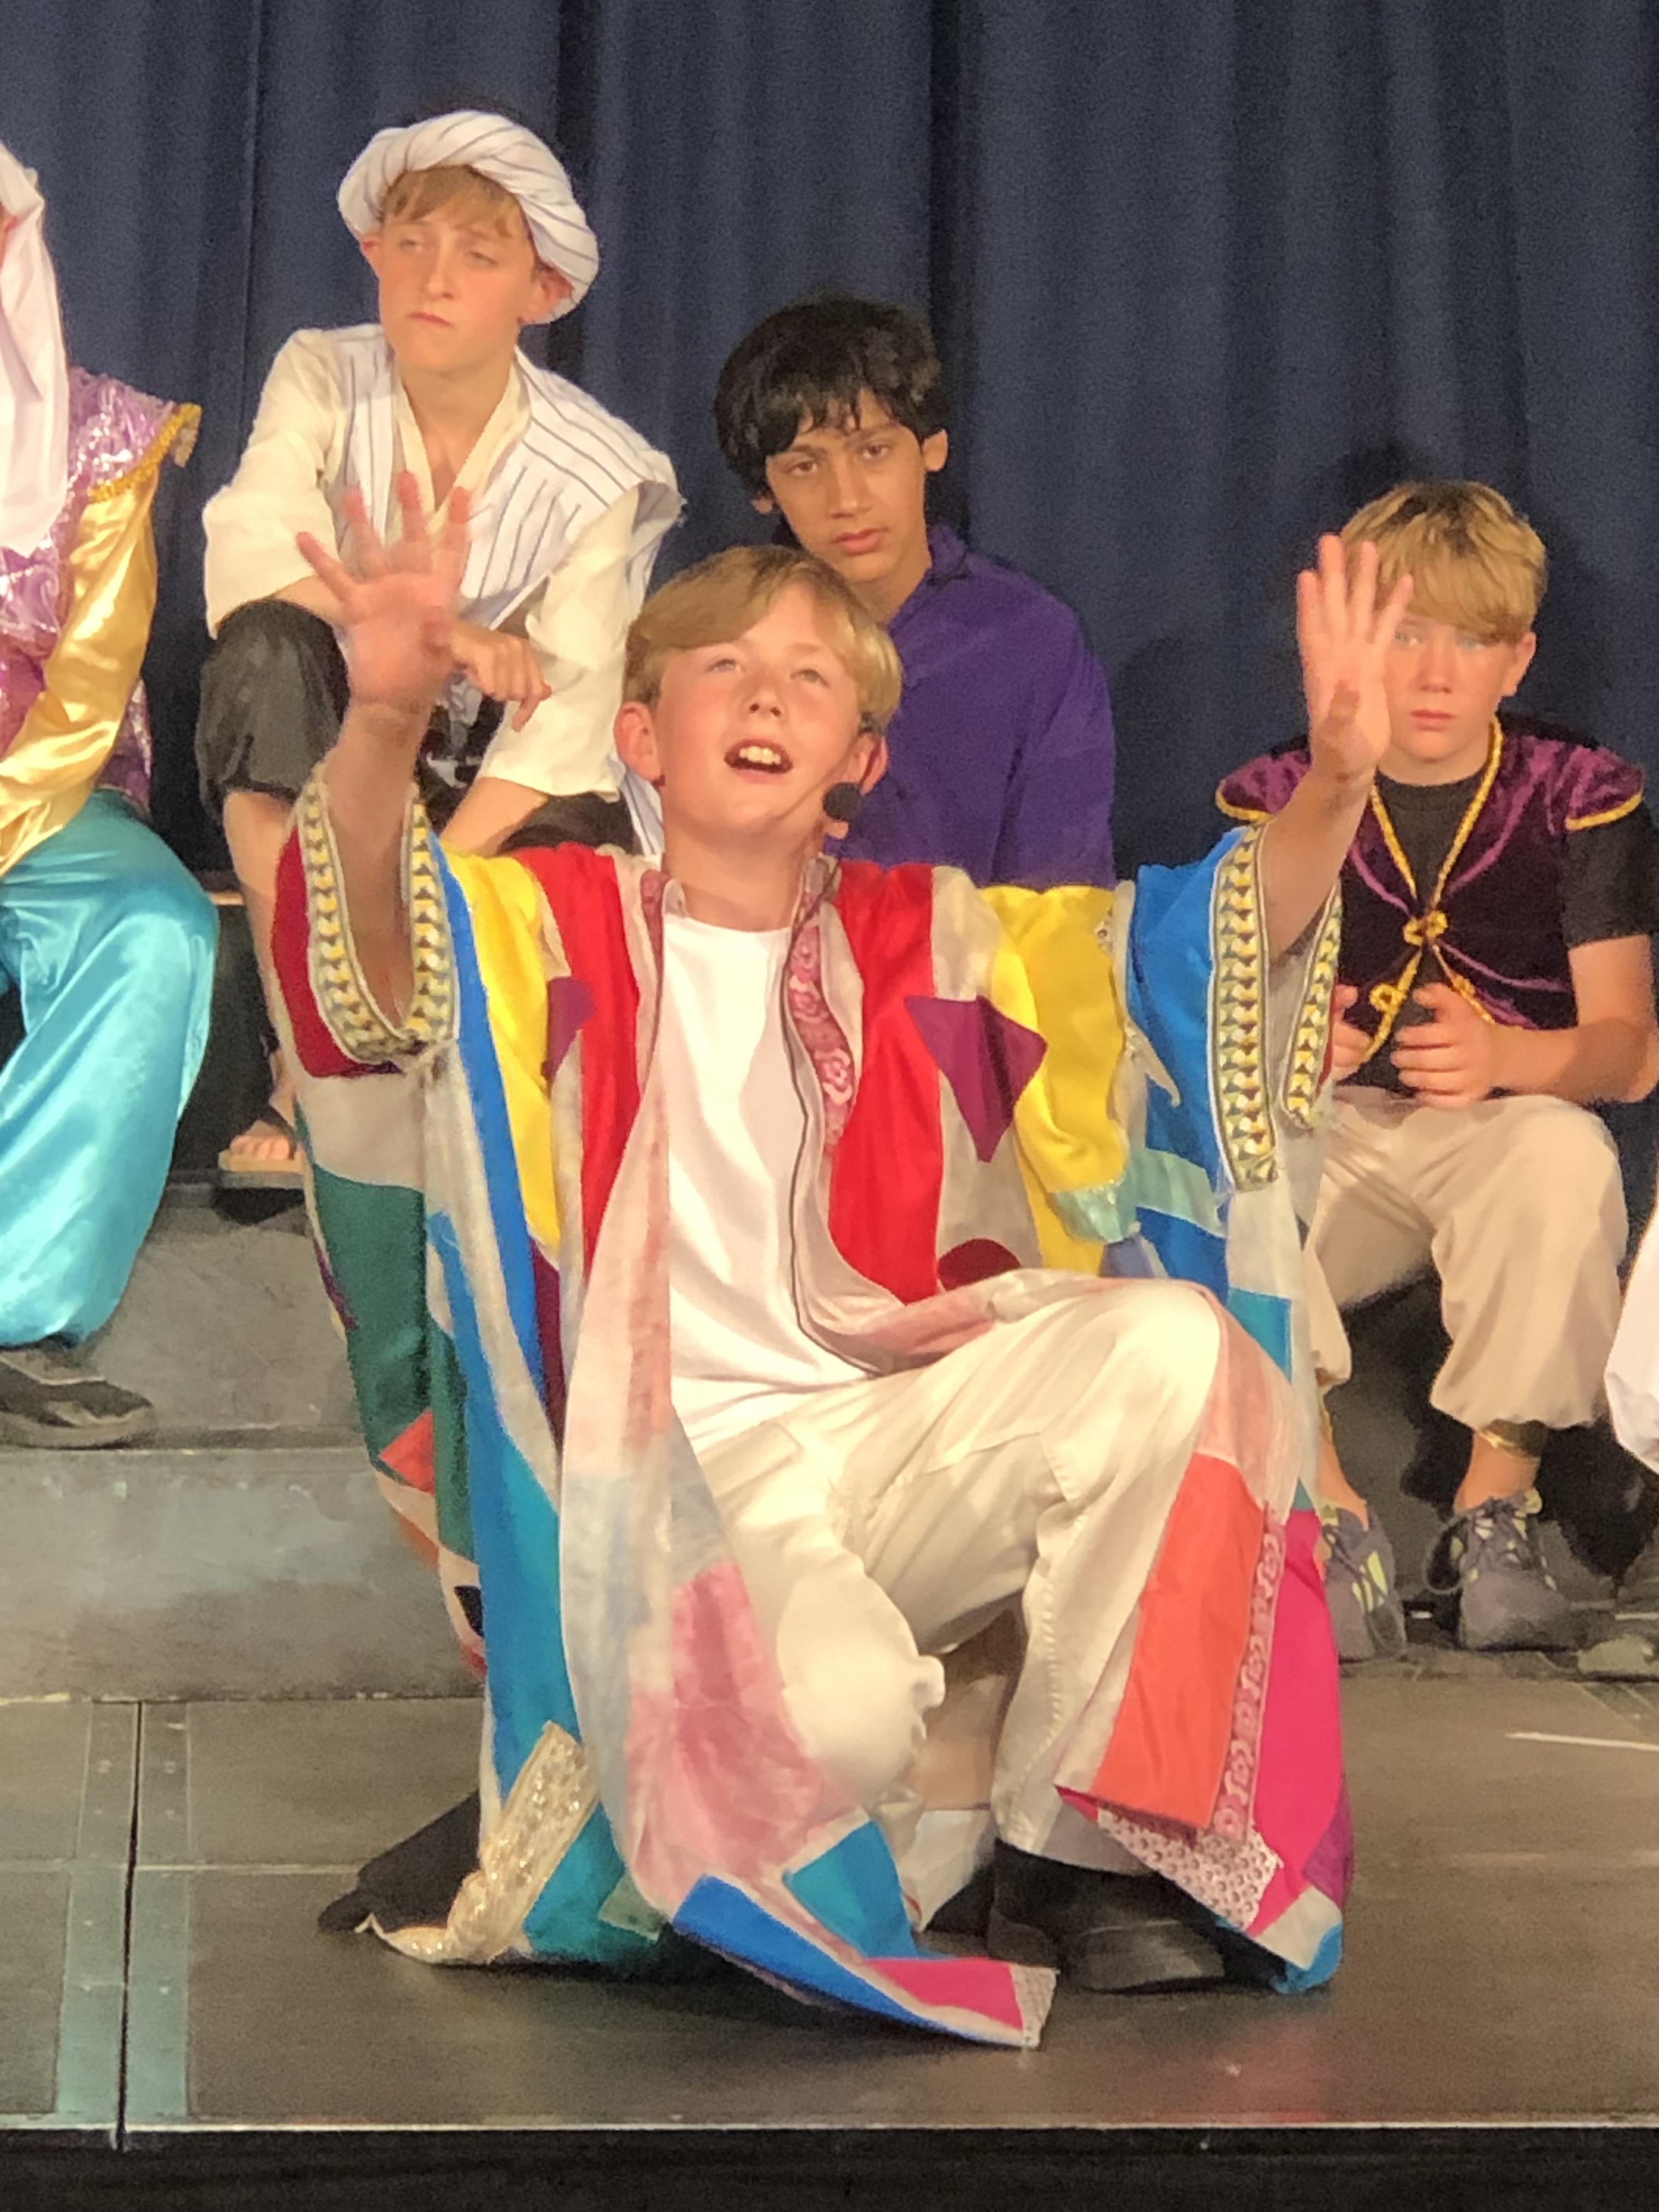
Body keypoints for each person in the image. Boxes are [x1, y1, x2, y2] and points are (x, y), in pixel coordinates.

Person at [269, 484, 1391, 2044]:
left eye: (809, 679)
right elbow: (368, 972)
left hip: (893, 1424)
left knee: (1178, 1346)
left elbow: (1186, 962)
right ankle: (648, 1791)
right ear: (642, 738)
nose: (765, 697)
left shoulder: (938, 940)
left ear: (859, 760)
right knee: (837, 1737)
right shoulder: (542, 925)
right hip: (671, 1485)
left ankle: (1070, 1860)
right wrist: (388, 722)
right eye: (724, 669)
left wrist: (1337, 784)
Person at [1219, 481, 1659, 1661]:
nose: (1430, 674)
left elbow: (1627, 1052)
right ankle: (1325, 1511)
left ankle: (1492, 1514)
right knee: (1225, 1172)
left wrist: (1508, 1055)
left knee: (1562, 1155)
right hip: (1337, 1133)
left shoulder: (1575, 795)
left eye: (1467, 643)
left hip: (1494, 1130)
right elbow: (1226, 1010)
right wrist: (1290, 1038)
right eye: (1405, 634)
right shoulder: (1279, 792)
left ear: (1515, 661)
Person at [196, 109, 680, 1177]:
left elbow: (570, 716)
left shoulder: (602, 469)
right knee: (263, 655)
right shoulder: (323, 370)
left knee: (569, 844)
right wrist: (441, 636)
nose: (434, 279)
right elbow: (250, 547)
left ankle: (461, 1098)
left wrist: (412, 909)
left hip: (490, 789)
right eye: (410, 244)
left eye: (478, 255)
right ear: (374, 254)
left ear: (541, 290)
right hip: (344, 748)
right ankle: (308, 1059)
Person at [594, 291, 1115, 887]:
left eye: (874, 451)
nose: (847, 499)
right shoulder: (709, 634)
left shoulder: (1028, 639)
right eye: (805, 466)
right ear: (763, 490)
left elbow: (1064, 892)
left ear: (933, 448)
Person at [0, 142, 215, 1447]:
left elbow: (91, 678)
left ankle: (16, 1302)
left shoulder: (100, 439)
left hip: (47, 793)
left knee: (156, 930)